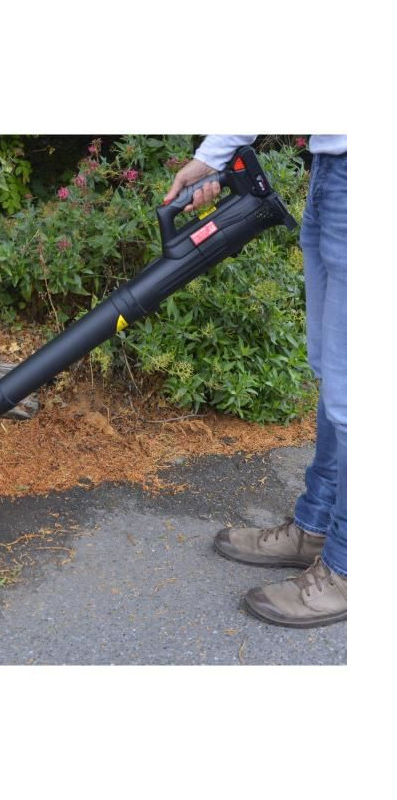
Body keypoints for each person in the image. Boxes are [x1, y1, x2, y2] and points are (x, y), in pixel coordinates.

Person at [163, 134, 347, 628]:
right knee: (334, 376)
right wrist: (213, 155)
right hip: (332, 168)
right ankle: (316, 529)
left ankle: (350, 565)